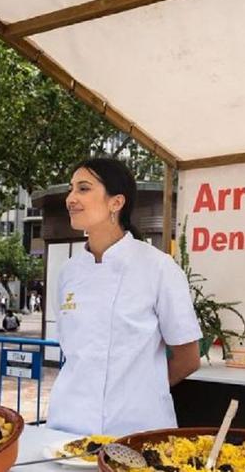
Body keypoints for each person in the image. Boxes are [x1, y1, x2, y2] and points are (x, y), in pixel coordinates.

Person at [47, 158, 202, 436]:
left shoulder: (158, 267)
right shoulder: (68, 272)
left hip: (139, 428)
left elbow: (188, 358)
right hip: (69, 425)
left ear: (116, 202)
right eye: (71, 189)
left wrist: (143, 392)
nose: (71, 198)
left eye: (83, 189)